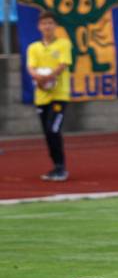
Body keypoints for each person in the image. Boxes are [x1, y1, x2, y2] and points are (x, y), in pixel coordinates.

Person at [27, 11, 73, 182]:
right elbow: (31, 67)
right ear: (39, 26)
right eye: (44, 23)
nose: (47, 26)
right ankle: (56, 166)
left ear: (56, 26)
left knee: (53, 129)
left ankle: (61, 167)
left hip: (59, 95)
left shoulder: (63, 44)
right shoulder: (34, 47)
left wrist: (48, 77)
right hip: (41, 96)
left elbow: (63, 64)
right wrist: (37, 77)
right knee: (47, 132)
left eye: (50, 23)